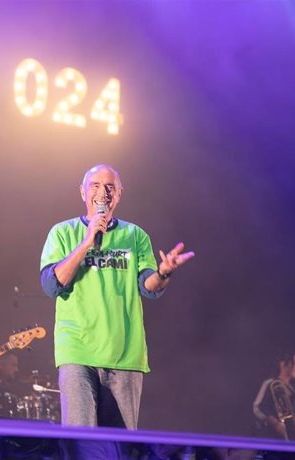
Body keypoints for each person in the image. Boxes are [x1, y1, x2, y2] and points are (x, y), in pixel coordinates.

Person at [39, 164, 195, 430]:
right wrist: (87, 242)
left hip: (125, 355)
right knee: (81, 443)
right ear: (82, 192)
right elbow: (53, 285)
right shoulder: (62, 233)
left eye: (110, 187)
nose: (103, 192)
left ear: (120, 194)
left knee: (118, 448)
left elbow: (148, 286)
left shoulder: (135, 236)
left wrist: (163, 272)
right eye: (95, 185)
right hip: (78, 352)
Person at [252, 351, 295, 441]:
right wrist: (276, 424)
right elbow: (258, 408)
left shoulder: (293, 390)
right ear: (284, 364)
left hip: (292, 441)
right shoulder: (271, 384)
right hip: (274, 440)